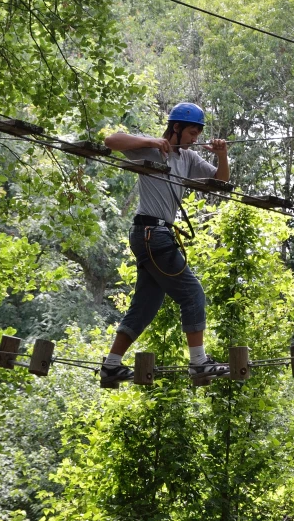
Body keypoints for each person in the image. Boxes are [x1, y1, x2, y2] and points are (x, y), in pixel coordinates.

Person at [98, 102, 231, 387]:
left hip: (156, 235)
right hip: (151, 232)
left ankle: (111, 365)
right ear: (176, 127)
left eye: (198, 134)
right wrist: (151, 141)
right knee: (193, 294)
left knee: (146, 305)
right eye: (192, 132)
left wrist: (222, 155)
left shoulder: (190, 158)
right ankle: (199, 363)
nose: (195, 138)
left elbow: (220, 181)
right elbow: (110, 140)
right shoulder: (148, 148)